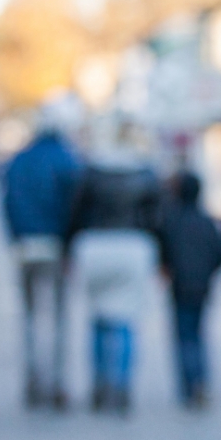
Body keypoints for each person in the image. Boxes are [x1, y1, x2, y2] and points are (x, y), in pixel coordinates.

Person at [67, 118, 162, 414]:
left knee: (98, 318)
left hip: (95, 246)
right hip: (133, 248)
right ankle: (121, 386)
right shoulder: (145, 173)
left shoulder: (91, 171)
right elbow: (157, 219)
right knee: (126, 321)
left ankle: (99, 384)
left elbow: (75, 213)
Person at [1, 94, 82, 410]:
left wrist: (16, 236)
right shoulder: (67, 158)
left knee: (31, 317)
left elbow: (7, 202)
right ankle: (58, 383)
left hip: (25, 245)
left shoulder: (20, 160)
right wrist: (69, 243)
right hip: (56, 245)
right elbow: (75, 204)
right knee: (60, 318)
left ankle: (34, 381)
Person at [158, 171, 221, 409]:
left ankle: (189, 387)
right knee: (197, 335)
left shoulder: (172, 220)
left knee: (184, 337)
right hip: (201, 287)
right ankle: (200, 382)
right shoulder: (206, 221)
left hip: (180, 287)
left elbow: (164, 253)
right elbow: (219, 253)